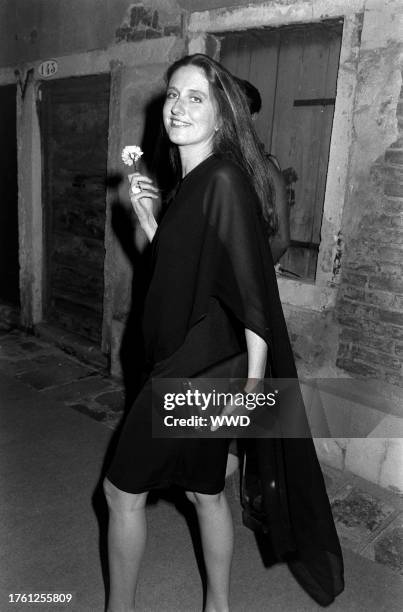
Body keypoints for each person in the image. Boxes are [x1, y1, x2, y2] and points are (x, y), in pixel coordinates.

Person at [103, 53, 343, 612]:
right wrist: (150, 222)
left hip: (195, 368)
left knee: (120, 492)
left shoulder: (223, 179)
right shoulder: (195, 183)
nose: (177, 108)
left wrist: (253, 393)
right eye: (172, 95)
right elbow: (190, 271)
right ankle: (219, 606)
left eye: (195, 98)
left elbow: (254, 295)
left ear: (223, 114)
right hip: (201, 359)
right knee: (204, 490)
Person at [235, 77, 292, 264]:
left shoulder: (264, 168)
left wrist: (255, 277)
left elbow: (281, 240)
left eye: (238, 111)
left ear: (252, 118)